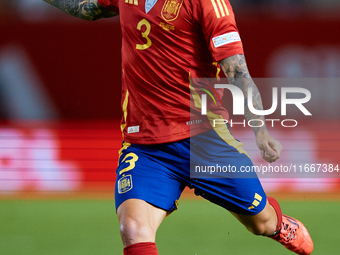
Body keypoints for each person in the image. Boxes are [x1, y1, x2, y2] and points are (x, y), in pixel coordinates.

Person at [42, 0, 314, 254]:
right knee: (133, 229)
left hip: (205, 140)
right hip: (146, 145)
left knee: (260, 223)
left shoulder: (208, 4)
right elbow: (87, 7)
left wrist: (260, 129)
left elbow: (236, 71)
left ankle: (278, 224)